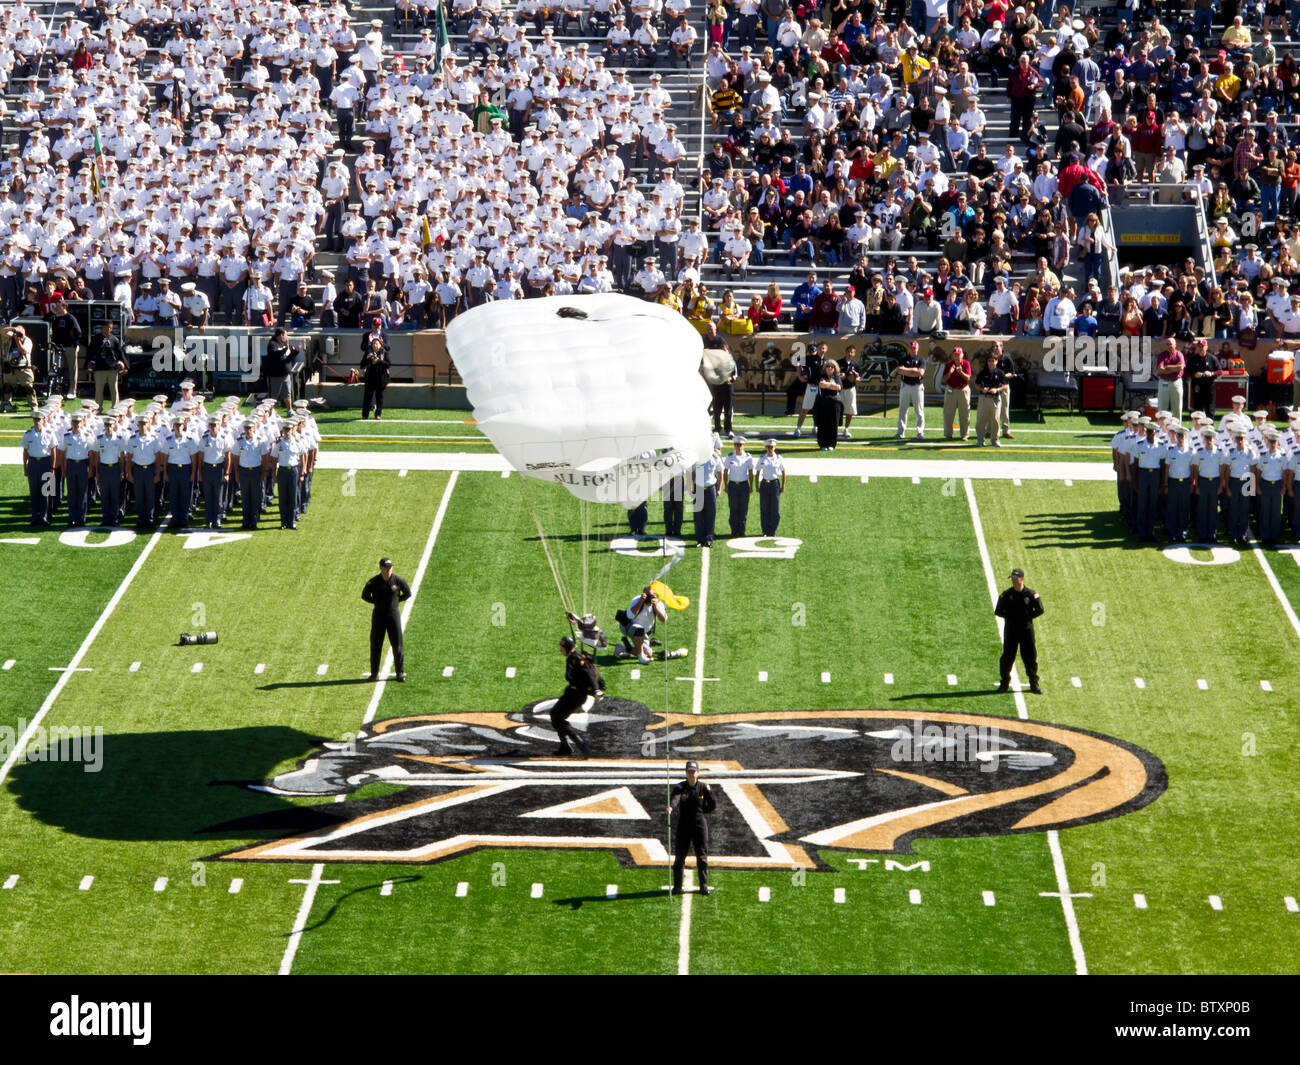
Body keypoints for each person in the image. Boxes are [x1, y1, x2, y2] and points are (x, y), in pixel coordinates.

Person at [668, 759, 716, 896]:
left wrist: (702, 812)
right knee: (679, 858)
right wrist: (671, 807)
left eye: (693, 772)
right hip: (683, 826)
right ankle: (677, 886)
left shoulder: (703, 787)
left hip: (699, 826)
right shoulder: (680, 787)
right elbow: (676, 799)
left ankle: (703, 885)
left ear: (698, 773)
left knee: (702, 857)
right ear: (686, 773)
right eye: (689, 772)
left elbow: (713, 803)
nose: (691, 774)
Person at [995, 567, 1043, 694]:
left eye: (1016, 579)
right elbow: (998, 611)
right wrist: (1010, 618)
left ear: (1022, 579)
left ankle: (1034, 684)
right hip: (1011, 630)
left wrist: (1027, 618)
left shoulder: (1030, 594)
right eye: (1012, 579)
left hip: (1026, 630)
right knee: (1007, 657)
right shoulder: (1007, 595)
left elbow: (1040, 609)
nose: (1013, 581)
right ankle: (1004, 683)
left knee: (1030, 656)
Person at [362, 557, 411, 682]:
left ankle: (400, 673)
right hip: (378, 616)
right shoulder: (374, 582)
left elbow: (407, 593)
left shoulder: (398, 580)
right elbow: (365, 595)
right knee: (376, 645)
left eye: (390, 567)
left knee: (397, 645)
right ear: (381, 568)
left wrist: (396, 601)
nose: (388, 569)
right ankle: (374, 674)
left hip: (393, 616)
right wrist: (377, 602)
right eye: (386, 567)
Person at [550, 635, 598, 758]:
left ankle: (579, 743)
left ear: (567, 647)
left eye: (561, 647)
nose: (560, 650)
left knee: (557, 717)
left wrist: (596, 689)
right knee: (556, 716)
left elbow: (589, 673)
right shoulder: (575, 657)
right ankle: (565, 746)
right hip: (572, 692)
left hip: (577, 694)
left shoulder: (575, 659)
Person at [21, 409, 55, 527]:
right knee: (34, 492)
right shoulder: (28, 434)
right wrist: (25, 466)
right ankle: (35, 517)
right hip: (33, 463)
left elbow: (53, 450)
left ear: (43, 420)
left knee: (45, 492)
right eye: (35, 419)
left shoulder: (49, 433)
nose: (37, 422)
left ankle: (44, 517)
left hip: (45, 463)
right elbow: (25, 451)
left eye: (39, 419)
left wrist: (53, 466)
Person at [617, 585, 667, 664]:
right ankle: (641, 657)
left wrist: (655, 607)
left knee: (649, 653)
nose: (648, 598)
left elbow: (663, 619)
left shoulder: (658, 603)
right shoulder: (636, 600)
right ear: (643, 594)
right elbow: (629, 615)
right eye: (647, 596)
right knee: (639, 629)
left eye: (650, 596)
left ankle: (623, 648)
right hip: (628, 626)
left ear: (654, 595)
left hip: (643, 633)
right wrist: (641, 602)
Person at [87, 320, 127, 411]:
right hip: (99, 368)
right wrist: (88, 365)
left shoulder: (114, 339)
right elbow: (90, 353)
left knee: (114, 389)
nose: (109, 329)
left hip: (112, 368)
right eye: (107, 327)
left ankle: (115, 408)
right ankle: (98, 408)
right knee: (99, 390)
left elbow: (120, 353)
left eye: (111, 328)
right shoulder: (96, 339)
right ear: (103, 327)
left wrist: (125, 365)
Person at [722, 435, 754, 537]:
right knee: (733, 509)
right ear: (734, 445)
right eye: (736, 444)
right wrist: (726, 485)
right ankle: (734, 530)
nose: (738, 446)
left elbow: (750, 472)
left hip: (744, 485)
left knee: (743, 509)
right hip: (733, 486)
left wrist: (751, 486)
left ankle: (742, 531)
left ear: (743, 445)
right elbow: (725, 471)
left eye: (740, 445)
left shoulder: (748, 457)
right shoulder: (730, 456)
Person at [894, 340, 926, 440]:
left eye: (915, 349)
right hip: (906, 386)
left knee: (919, 410)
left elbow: (920, 373)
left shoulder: (921, 359)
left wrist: (906, 370)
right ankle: (901, 432)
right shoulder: (904, 358)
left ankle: (920, 432)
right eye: (911, 349)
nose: (913, 350)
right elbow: (899, 370)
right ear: (909, 349)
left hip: (917, 386)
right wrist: (913, 370)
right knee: (903, 410)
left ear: (918, 349)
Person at [974, 352, 1006, 446]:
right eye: (989, 361)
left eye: (993, 361)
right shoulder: (983, 372)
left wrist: (997, 389)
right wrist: (982, 389)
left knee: (995, 420)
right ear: (987, 362)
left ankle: (995, 440)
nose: (991, 363)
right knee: (981, 420)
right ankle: (980, 440)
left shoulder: (1000, 373)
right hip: (983, 398)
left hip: (995, 399)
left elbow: (1006, 385)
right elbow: (976, 384)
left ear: (996, 361)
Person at [755, 438, 785, 535]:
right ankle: (765, 530)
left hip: (775, 484)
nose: (770, 449)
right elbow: (758, 472)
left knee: (775, 509)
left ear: (775, 447)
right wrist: (756, 485)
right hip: (764, 484)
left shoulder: (779, 459)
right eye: (768, 447)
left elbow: (784, 472)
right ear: (765, 447)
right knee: (764, 508)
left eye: (771, 447)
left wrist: (783, 485)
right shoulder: (762, 458)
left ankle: (773, 530)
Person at [694, 445, 722, 547]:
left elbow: (720, 471)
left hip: (710, 488)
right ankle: (700, 540)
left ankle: (709, 539)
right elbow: (692, 472)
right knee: (698, 516)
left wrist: (719, 488)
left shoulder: (714, 457)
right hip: (699, 489)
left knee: (711, 515)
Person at [2, 325, 35, 413]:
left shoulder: (27, 340)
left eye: (21, 332)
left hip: (24, 367)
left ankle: (33, 406)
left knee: (28, 387)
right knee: (7, 386)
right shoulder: (9, 338)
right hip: (10, 367)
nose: (19, 334)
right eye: (18, 333)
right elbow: (2, 331)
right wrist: (13, 329)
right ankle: (6, 404)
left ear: (25, 332)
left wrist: (18, 341)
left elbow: (24, 351)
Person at [359, 328, 391, 420]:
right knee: (367, 398)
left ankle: (378, 414)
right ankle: (365, 415)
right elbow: (362, 365)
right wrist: (367, 359)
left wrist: (379, 361)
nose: (375, 345)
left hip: (381, 378)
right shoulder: (368, 352)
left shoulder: (384, 352)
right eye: (373, 344)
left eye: (377, 343)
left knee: (379, 398)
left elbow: (388, 364)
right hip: (370, 378)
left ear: (380, 345)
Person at [941, 346, 972, 440]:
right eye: (955, 355)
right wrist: (950, 372)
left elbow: (968, 378)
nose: (957, 357)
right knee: (948, 413)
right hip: (951, 389)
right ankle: (948, 434)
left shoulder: (966, 364)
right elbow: (943, 379)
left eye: (958, 354)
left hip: (963, 390)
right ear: (952, 356)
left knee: (965, 413)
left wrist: (960, 372)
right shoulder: (949, 364)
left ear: (962, 355)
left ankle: (965, 435)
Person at [812, 357, 842, 450]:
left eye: (832, 367)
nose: (830, 368)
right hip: (822, 403)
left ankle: (831, 444)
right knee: (822, 424)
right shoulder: (822, 376)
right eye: (828, 366)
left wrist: (827, 385)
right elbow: (821, 384)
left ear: (835, 368)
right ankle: (823, 444)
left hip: (834, 403)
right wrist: (832, 385)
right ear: (825, 368)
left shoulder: (837, 377)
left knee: (833, 425)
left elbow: (839, 387)